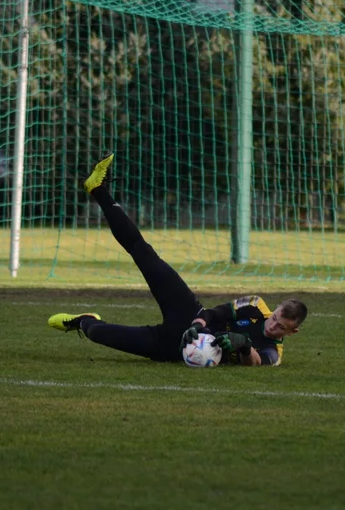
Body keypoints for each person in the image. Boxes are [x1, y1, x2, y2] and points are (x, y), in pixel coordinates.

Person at [48, 155, 307, 366]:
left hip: (170, 348)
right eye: (275, 318)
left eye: (280, 327)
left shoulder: (274, 352)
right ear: (275, 310)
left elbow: (257, 362)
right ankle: (98, 189)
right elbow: (214, 312)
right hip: (187, 315)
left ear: (291, 332)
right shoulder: (255, 306)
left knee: (97, 333)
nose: (272, 326)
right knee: (144, 253)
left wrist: (244, 345)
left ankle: (82, 320)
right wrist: (197, 324)